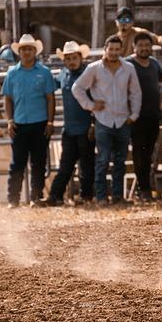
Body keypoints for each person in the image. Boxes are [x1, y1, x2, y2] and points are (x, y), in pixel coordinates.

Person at [72, 35, 142, 206]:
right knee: (103, 160)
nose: (114, 52)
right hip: (103, 120)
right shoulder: (94, 68)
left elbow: (135, 92)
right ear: (105, 49)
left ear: (121, 50)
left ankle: (118, 196)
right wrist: (90, 105)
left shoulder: (128, 68)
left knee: (120, 160)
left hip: (123, 120)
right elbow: (77, 88)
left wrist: (134, 115)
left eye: (117, 49)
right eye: (111, 49)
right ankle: (101, 197)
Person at [1, 34, 56, 207]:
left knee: (38, 162)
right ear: (20, 52)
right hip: (19, 123)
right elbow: (7, 99)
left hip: (39, 122)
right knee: (17, 163)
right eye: (23, 49)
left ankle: (36, 197)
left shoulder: (44, 73)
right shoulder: (12, 73)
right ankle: (13, 199)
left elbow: (50, 98)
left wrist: (50, 122)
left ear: (34, 51)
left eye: (29, 49)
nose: (26, 52)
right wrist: (10, 120)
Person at [46, 42, 95, 206]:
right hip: (70, 128)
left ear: (80, 58)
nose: (71, 61)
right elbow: (51, 84)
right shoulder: (63, 74)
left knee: (86, 165)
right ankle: (55, 195)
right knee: (65, 165)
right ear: (64, 61)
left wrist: (93, 123)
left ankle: (86, 196)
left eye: (74, 58)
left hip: (86, 126)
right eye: (68, 59)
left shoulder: (88, 74)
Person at [126, 31, 162, 201]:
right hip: (135, 116)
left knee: (148, 153)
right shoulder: (128, 64)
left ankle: (145, 189)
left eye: (147, 46)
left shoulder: (155, 64)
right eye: (140, 46)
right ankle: (144, 190)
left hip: (153, 115)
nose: (144, 48)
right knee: (139, 153)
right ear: (134, 47)